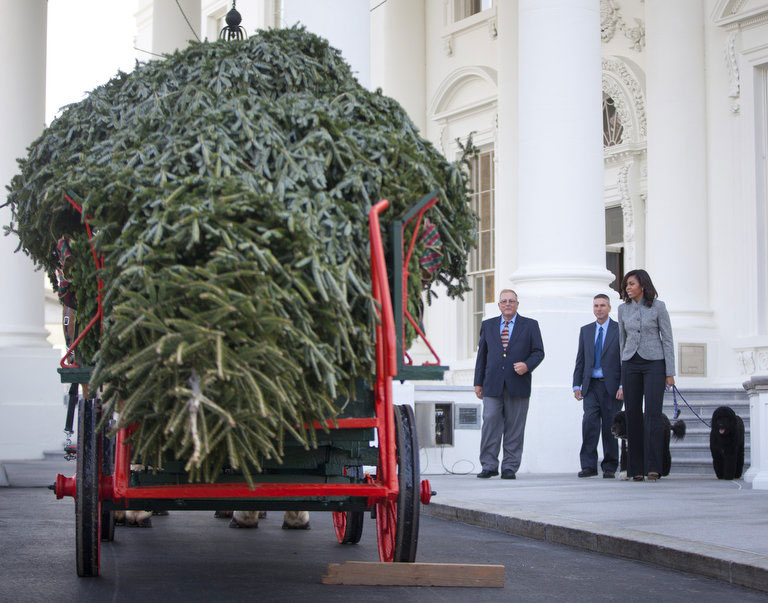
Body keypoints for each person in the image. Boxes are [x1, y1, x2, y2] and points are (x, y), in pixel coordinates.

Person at [474, 289, 545, 479]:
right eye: (504, 301)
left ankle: (509, 467)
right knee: (490, 423)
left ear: (517, 304)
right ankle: (488, 465)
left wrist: (527, 365)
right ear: (499, 305)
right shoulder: (488, 325)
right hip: (492, 384)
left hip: (518, 384)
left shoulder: (530, 325)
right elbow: (482, 356)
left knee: (515, 427)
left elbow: (539, 352)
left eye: (511, 301)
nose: (507, 304)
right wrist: (478, 382)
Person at [617, 269, 675, 481]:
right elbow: (621, 341)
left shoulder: (659, 307)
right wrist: (621, 370)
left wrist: (670, 372)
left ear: (643, 284)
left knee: (653, 414)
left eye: (631, 284)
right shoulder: (622, 309)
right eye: (626, 285)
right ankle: (636, 468)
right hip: (630, 363)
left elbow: (667, 339)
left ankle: (653, 466)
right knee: (632, 414)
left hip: (655, 364)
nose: (627, 288)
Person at [572, 294, 623, 479]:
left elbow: (624, 359)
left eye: (602, 305)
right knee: (589, 424)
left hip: (611, 387)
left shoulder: (619, 329)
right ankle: (588, 466)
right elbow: (580, 360)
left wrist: (622, 385)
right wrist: (576, 385)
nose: (599, 308)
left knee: (611, 427)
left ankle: (610, 466)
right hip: (591, 386)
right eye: (596, 305)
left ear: (609, 308)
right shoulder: (585, 331)